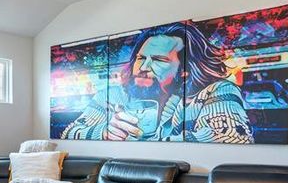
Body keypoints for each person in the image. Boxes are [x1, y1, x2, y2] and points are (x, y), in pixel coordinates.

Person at [60, 22, 254, 143]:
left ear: (185, 70)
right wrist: (104, 132)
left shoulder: (215, 92)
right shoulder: (112, 95)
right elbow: (69, 133)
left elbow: (231, 135)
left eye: (159, 60)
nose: (144, 67)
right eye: (140, 58)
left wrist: (152, 143)